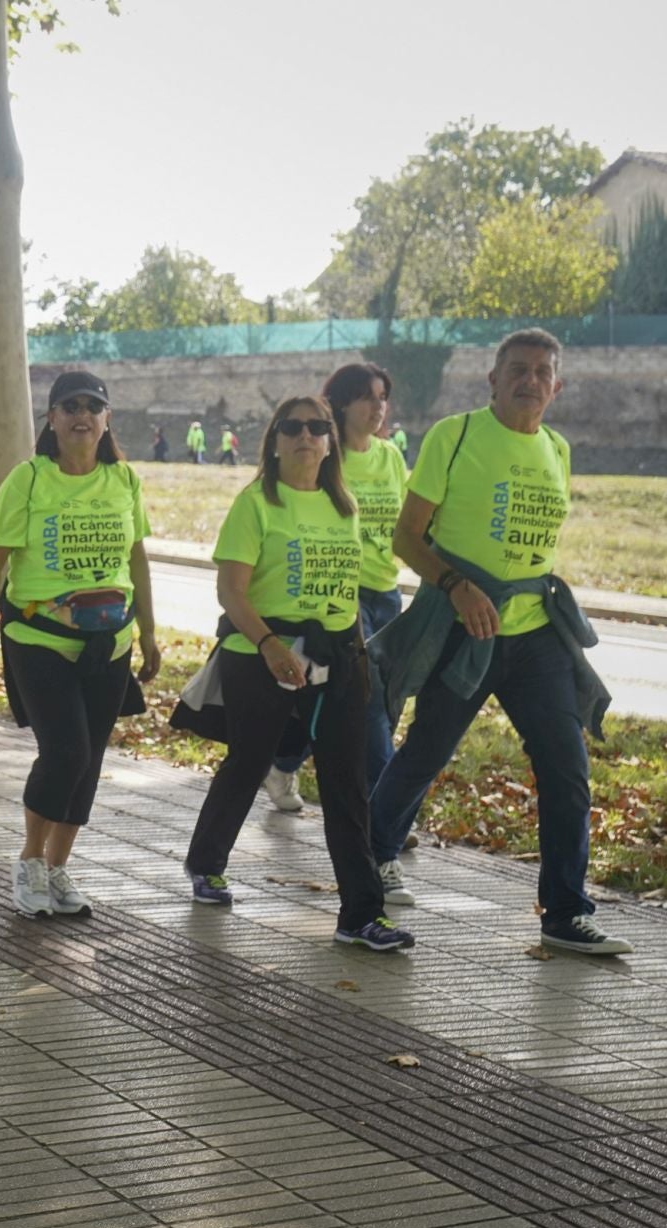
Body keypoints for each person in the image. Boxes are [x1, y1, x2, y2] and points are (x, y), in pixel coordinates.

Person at [368, 330, 626, 954]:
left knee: (568, 769)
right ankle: (366, 861)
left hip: (537, 637)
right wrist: (456, 586)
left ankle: (565, 912)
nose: (529, 380)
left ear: (556, 386)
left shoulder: (558, 449)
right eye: (517, 369)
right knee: (426, 753)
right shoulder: (454, 437)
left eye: (542, 372)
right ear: (492, 378)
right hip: (463, 629)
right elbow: (406, 538)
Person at [172, 395, 411, 951]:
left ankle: (361, 915)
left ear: (330, 441)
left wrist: (357, 659)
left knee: (346, 781)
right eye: (293, 428)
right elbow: (231, 590)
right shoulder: (256, 502)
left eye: (317, 427)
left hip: (337, 655)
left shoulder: (343, 507)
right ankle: (206, 863)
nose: (306, 436)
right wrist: (269, 644)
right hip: (260, 650)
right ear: (275, 441)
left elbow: (345, 592)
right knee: (250, 760)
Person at [0, 370, 162, 920]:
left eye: (92, 406)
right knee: (66, 753)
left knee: (91, 761)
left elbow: (138, 559)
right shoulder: (28, 481)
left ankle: (57, 869)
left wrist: (148, 631)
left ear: (106, 420)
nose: (81, 415)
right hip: (39, 640)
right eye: (69, 406)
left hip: (111, 642)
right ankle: (29, 862)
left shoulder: (124, 480)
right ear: (51, 419)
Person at [261, 365, 407, 841]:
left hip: (387, 592)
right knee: (368, 707)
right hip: (342, 595)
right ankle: (385, 815)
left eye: (383, 397)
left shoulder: (390, 457)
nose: (377, 407)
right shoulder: (326, 453)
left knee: (358, 699)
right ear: (340, 404)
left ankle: (282, 761)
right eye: (366, 397)